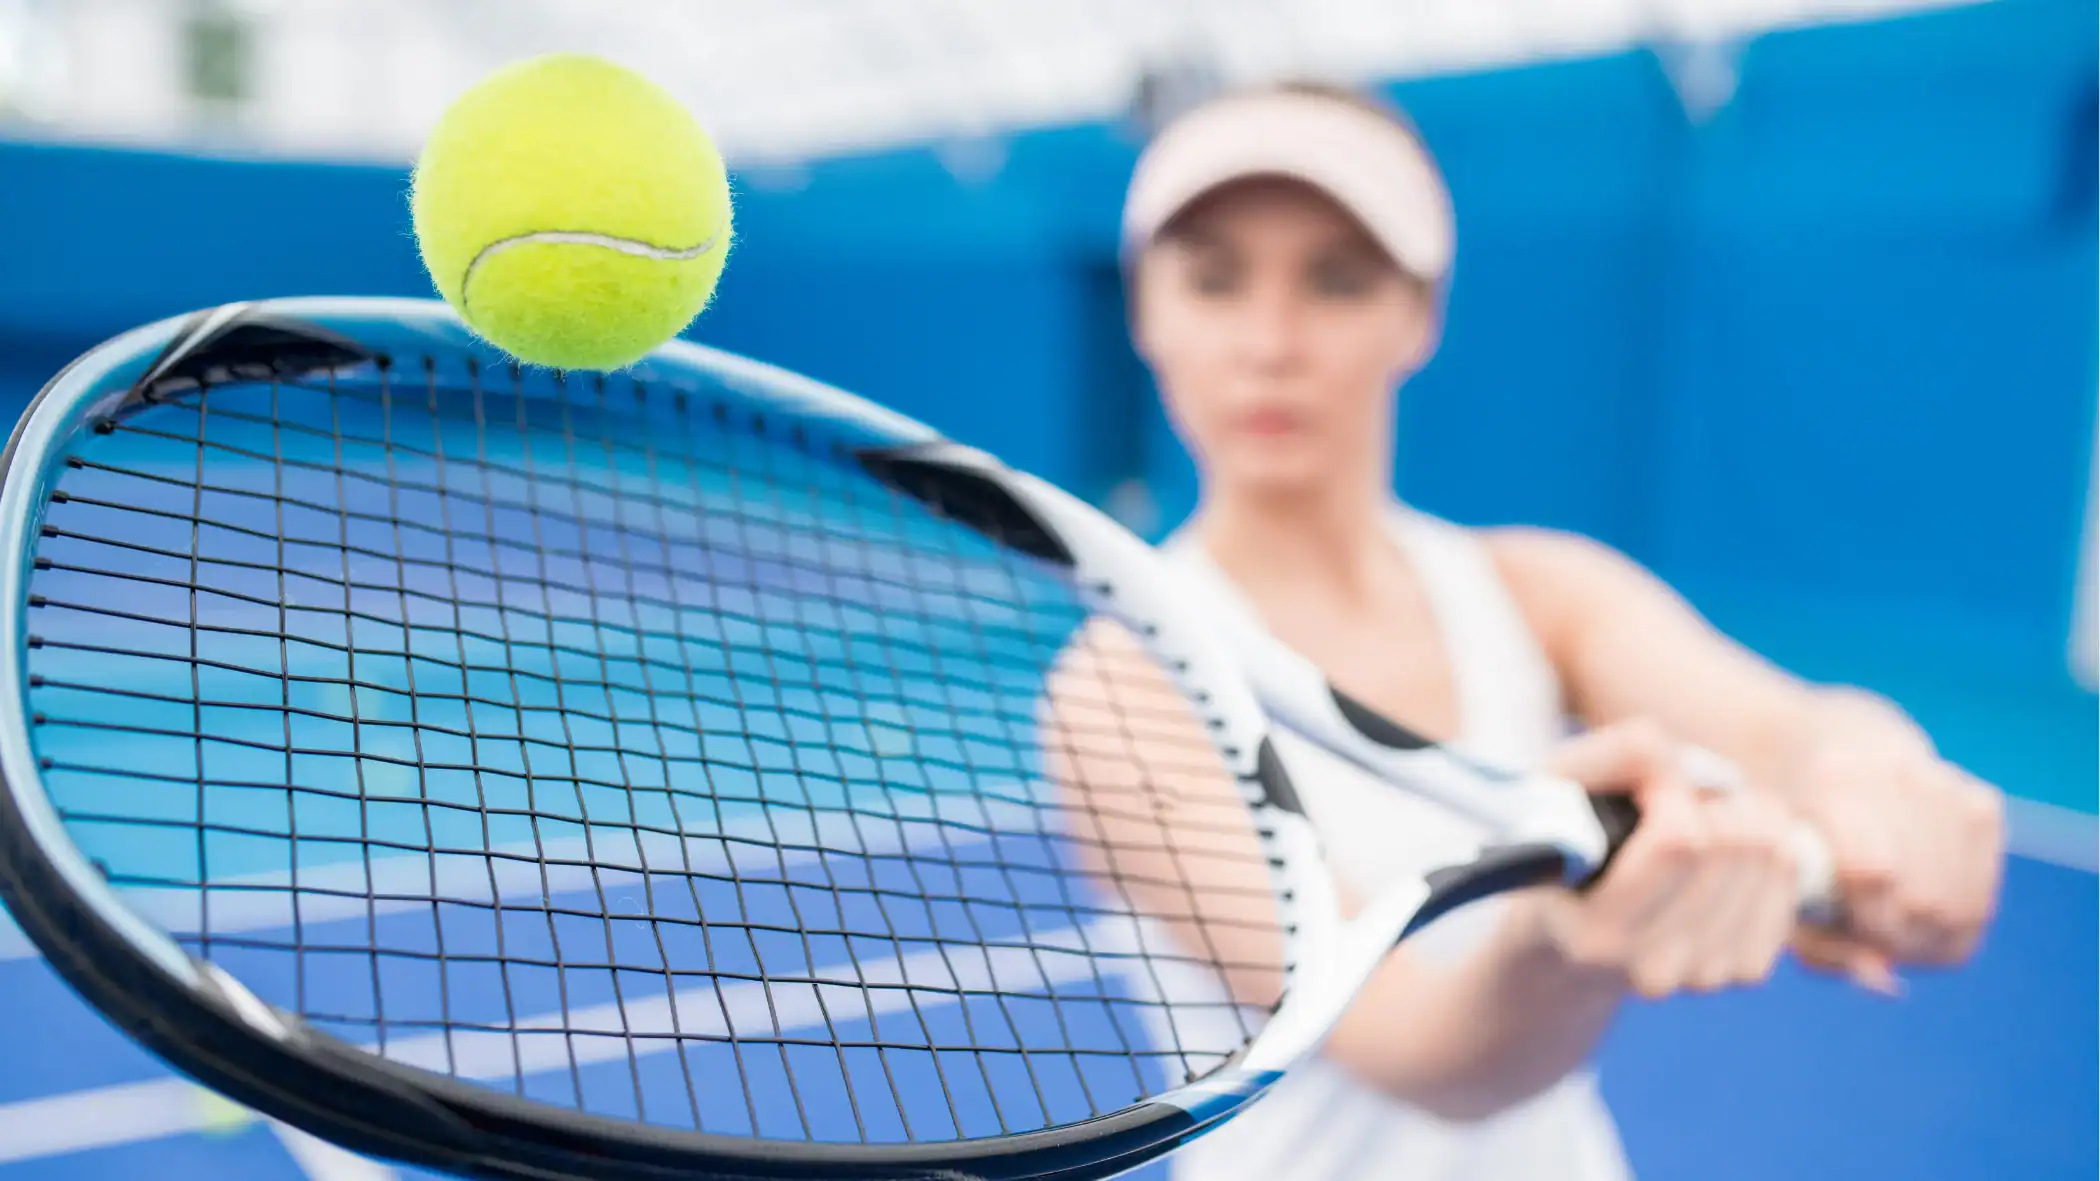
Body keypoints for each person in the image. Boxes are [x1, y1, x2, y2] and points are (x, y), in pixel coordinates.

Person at [1053, 82, 2006, 1181]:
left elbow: (1787, 728)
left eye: (1337, 279)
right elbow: (1426, 1049)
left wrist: (1884, 786)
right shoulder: (1122, 687)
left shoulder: (1540, 590)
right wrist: (1560, 938)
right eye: (1216, 280)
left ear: (1419, 315)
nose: (1271, 340)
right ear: (1146, 313)